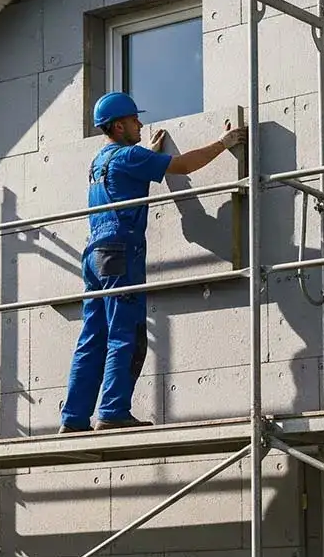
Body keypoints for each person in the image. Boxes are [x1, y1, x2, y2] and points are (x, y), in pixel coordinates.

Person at [58, 91, 247, 433]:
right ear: (118, 126)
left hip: (94, 255)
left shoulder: (100, 162)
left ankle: (73, 419)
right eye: (133, 120)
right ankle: (113, 412)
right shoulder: (129, 157)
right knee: (125, 333)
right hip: (120, 252)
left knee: (92, 337)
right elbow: (184, 166)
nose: (140, 123)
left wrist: (148, 157)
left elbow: (125, 178)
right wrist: (223, 142)